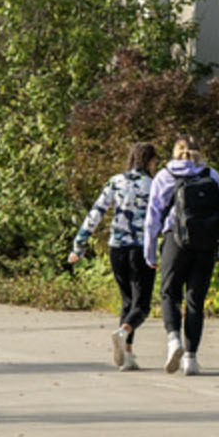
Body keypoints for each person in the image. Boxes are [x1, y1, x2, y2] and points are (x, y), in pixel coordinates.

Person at [143, 135, 219, 376]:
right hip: (206, 243)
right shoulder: (211, 175)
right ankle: (191, 359)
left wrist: (150, 250)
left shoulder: (165, 175)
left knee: (170, 293)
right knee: (195, 299)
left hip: (176, 240)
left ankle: (174, 340)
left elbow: (152, 216)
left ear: (175, 152)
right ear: (198, 152)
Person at [68, 141, 159, 371]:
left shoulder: (115, 182)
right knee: (142, 306)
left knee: (127, 302)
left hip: (116, 249)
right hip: (140, 249)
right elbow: (161, 217)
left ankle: (126, 355)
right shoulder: (153, 184)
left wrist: (78, 246)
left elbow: (95, 213)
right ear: (150, 161)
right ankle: (122, 332)